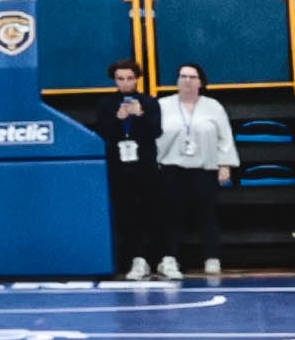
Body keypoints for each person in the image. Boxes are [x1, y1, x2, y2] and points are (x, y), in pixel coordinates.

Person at [154, 64, 237, 279]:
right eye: (183, 76)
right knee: (171, 215)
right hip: (171, 168)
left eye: (192, 77)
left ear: (201, 82)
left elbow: (224, 137)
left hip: (203, 168)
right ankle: (169, 258)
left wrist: (225, 164)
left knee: (207, 214)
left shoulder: (213, 107)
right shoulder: (162, 105)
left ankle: (212, 258)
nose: (188, 81)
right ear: (177, 80)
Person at [98, 64, 165, 277]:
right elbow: (102, 133)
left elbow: (156, 131)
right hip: (120, 167)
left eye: (129, 78)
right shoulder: (106, 104)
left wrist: (141, 115)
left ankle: (160, 258)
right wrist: (117, 120)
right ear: (115, 80)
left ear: (137, 79)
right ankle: (136, 259)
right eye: (120, 78)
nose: (125, 83)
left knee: (152, 212)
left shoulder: (149, 102)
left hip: (145, 166)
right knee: (127, 214)